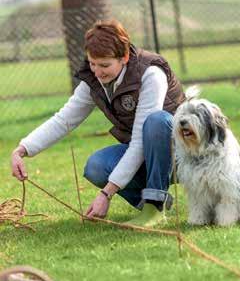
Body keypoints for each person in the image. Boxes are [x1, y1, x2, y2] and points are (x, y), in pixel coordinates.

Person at [11, 19, 185, 227]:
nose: (97, 71)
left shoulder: (151, 73)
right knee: (96, 166)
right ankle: (153, 202)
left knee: (157, 122)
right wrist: (22, 149)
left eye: (104, 65)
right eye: (92, 63)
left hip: (182, 155)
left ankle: (154, 207)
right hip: (144, 153)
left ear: (125, 57)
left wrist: (106, 193)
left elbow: (140, 139)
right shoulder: (94, 80)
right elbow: (64, 120)